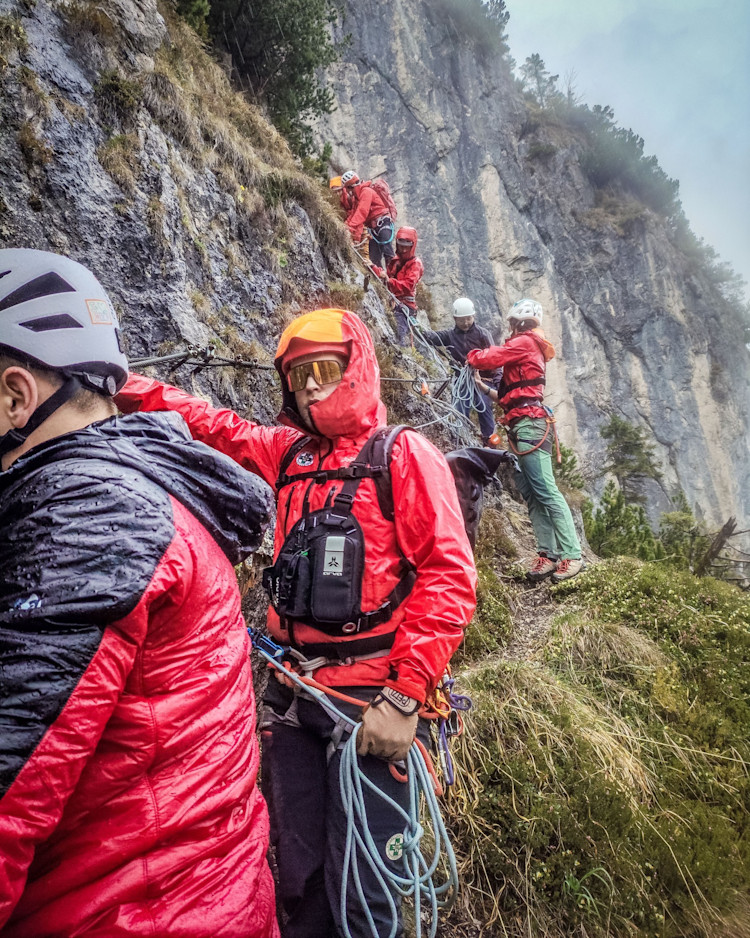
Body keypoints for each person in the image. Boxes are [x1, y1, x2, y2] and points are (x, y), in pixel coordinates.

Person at [114, 307, 478, 938]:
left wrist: (404, 695)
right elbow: (212, 425)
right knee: (299, 875)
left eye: (324, 369)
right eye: (298, 374)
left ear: (355, 368)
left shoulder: (404, 456)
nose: (309, 385)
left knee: (367, 886)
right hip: (292, 698)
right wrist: (119, 385)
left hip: (369, 706)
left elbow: (449, 576)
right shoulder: (289, 455)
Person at [0, 249, 279, 938]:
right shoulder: (146, 492)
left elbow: (12, 781)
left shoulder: (93, 514)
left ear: (14, 396)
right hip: (195, 900)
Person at [468, 298, 583, 582]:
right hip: (523, 424)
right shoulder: (528, 346)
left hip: (530, 425)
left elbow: (489, 358)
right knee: (532, 494)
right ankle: (548, 554)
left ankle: (572, 555)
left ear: (520, 322)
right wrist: (484, 388)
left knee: (545, 491)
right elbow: (514, 395)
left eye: (511, 322)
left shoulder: (525, 342)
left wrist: (471, 357)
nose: (509, 327)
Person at [423, 297, 499, 445]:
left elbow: (495, 358)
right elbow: (432, 337)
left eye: (468, 319)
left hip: (483, 380)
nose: (465, 323)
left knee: (482, 404)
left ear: (474, 316)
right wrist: (414, 324)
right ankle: (462, 436)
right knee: (460, 404)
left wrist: (496, 380)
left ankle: (488, 440)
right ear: (454, 319)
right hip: (462, 380)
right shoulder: (450, 336)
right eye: (461, 320)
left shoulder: (483, 334)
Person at [370, 225, 424, 346]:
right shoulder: (396, 261)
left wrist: (388, 281)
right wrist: (374, 268)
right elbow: (386, 278)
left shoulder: (415, 264)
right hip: (394, 302)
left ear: (412, 246)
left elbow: (408, 286)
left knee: (399, 333)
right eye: (401, 246)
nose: (404, 250)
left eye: (407, 247)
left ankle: (401, 355)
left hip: (405, 307)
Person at [338, 170, 396, 268]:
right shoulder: (357, 198)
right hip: (373, 229)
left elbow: (361, 213)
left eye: (347, 189)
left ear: (349, 187)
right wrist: (354, 237)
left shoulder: (366, 192)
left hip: (382, 223)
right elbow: (354, 215)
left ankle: (393, 279)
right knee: (374, 258)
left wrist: (348, 229)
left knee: (387, 251)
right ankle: (380, 279)